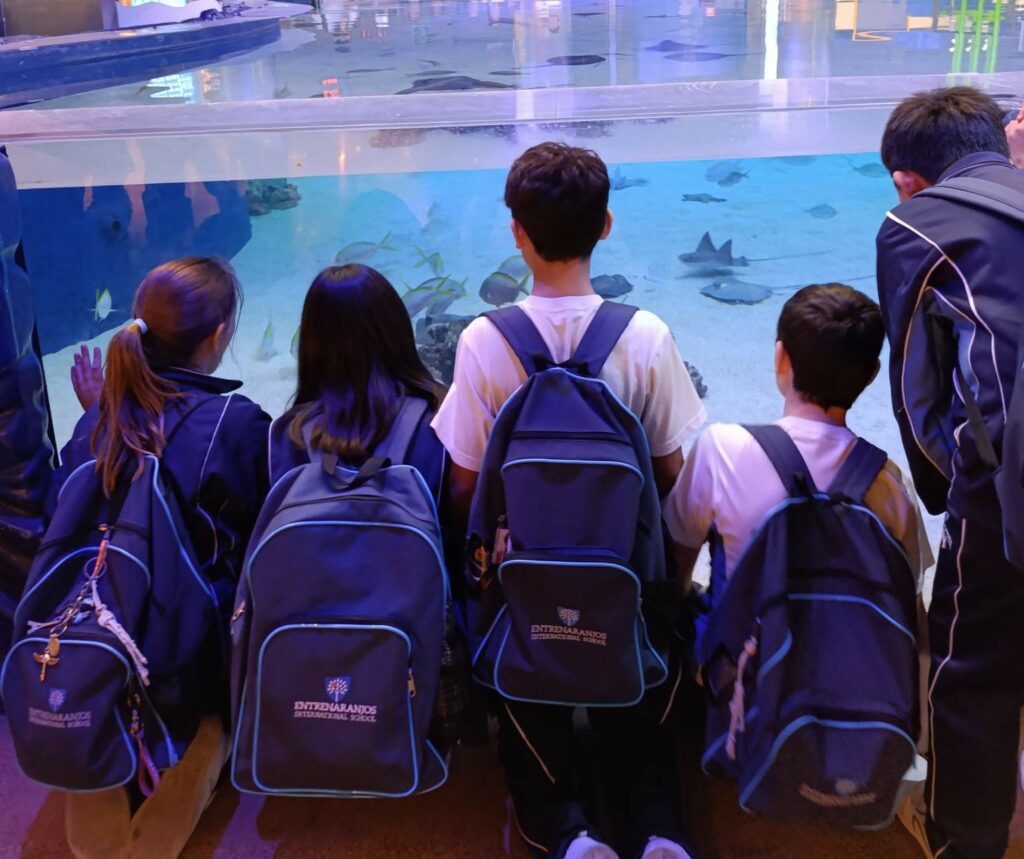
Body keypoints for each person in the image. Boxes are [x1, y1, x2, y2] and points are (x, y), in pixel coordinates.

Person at [433, 142, 706, 859]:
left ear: (516, 232)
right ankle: (658, 828)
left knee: (529, 707)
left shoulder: (484, 340)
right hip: (625, 584)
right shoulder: (644, 335)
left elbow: (464, 483)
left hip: (524, 588)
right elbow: (673, 472)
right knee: (637, 699)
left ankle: (567, 828)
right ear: (606, 225)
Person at [54, 257, 270, 859]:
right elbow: (260, 529)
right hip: (187, 650)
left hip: (93, 637)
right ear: (219, 334)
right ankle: (208, 735)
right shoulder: (234, 422)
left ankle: (102, 753)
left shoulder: (97, 419)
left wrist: (95, 409)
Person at [876, 85, 1024, 858]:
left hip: (1004, 486)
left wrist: (952, 488)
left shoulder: (914, 224)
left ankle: (959, 836)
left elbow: (918, 388)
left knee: (973, 666)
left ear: (907, 180)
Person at [268, 263, 467, 747]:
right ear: (397, 331)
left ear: (312, 342)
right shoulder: (440, 423)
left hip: (310, 648)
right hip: (413, 645)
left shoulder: (285, 436)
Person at [664, 283, 931, 598]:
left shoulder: (721, 450)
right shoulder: (893, 484)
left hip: (741, 631)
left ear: (780, 357)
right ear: (872, 374)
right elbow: (908, 601)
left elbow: (676, 571)